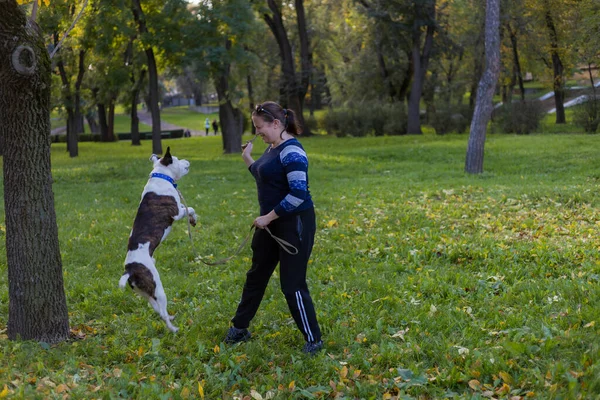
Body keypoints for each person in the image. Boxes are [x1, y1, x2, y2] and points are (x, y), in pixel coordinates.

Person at [224, 101, 323, 355]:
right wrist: (248, 160)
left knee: (292, 284)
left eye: (260, 127)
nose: (257, 132)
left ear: (277, 124)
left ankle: (314, 340)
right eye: (255, 128)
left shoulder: (293, 152)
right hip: (270, 223)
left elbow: (298, 194)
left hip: (294, 224)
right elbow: (266, 177)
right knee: (256, 276)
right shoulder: (272, 147)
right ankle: (239, 328)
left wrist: (268, 217)